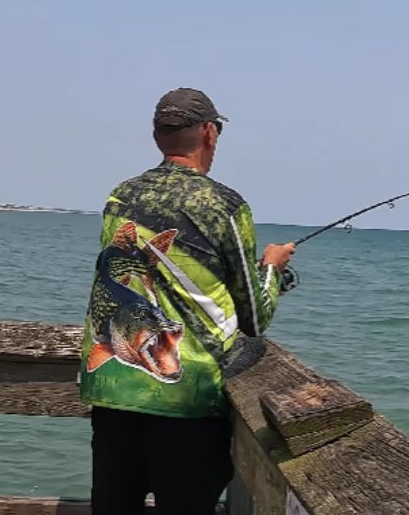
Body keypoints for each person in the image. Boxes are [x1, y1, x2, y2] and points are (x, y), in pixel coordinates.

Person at [80, 87, 296, 514]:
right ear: (210, 133)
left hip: (115, 390)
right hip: (186, 399)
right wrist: (270, 267)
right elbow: (255, 315)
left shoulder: (120, 196)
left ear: (158, 137)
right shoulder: (224, 205)